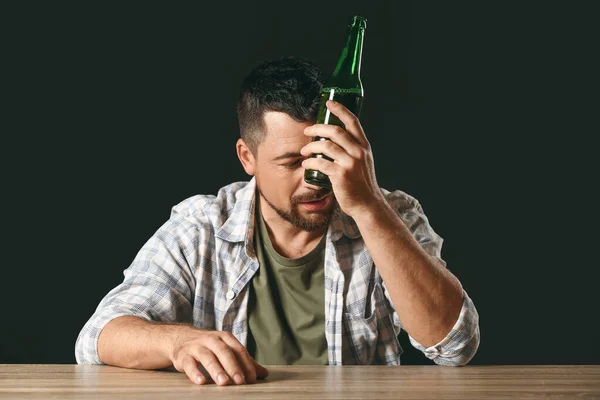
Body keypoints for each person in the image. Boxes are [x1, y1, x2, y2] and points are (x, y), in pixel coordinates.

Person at [75, 56, 480, 385]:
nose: (315, 180)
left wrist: (370, 207)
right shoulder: (201, 226)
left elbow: (455, 345)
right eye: (291, 163)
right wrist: (177, 342)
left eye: (324, 154)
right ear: (246, 158)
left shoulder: (392, 214)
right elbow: (98, 337)